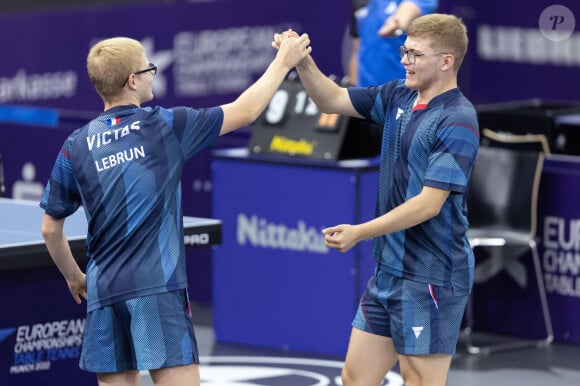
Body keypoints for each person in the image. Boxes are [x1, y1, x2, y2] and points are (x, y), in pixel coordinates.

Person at [40, 34, 310, 386]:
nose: (153, 75)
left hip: (104, 292)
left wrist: (75, 277)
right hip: (157, 287)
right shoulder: (162, 126)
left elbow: (49, 228)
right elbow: (246, 110)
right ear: (132, 81)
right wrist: (283, 62)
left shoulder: (75, 146)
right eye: (148, 69)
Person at [275, 13, 479, 386]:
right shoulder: (398, 95)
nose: (405, 60)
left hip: (430, 276)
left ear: (446, 61)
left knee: (420, 380)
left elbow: (429, 204)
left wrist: (361, 232)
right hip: (389, 272)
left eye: (415, 54)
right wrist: (302, 61)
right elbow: (332, 99)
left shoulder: (457, 119)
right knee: (356, 378)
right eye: (405, 51)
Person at [349, 0, 437, 86]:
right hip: (366, 92)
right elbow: (357, 50)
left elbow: (407, 12)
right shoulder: (360, 3)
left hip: (402, 92)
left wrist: (397, 22)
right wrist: (352, 87)